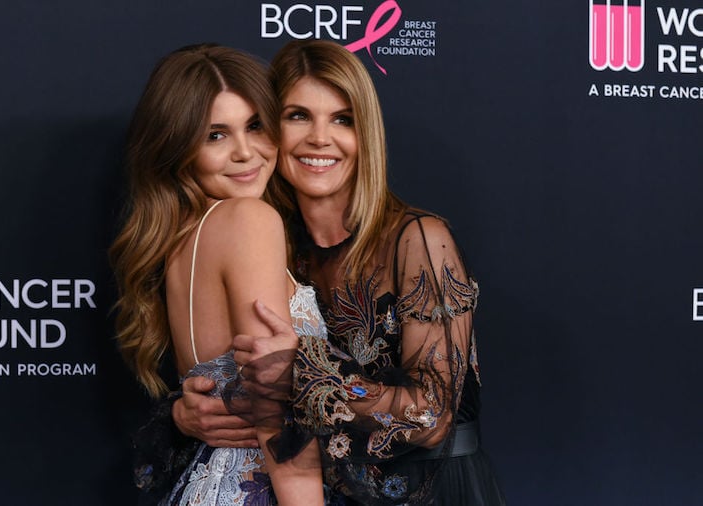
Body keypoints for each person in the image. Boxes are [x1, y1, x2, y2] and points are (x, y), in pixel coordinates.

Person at [176, 39, 505, 505]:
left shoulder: (419, 240)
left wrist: (301, 372)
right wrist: (187, 413)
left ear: (365, 133)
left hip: (427, 494)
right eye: (297, 116)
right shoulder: (273, 246)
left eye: (342, 119)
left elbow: (433, 419)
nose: (319, 139)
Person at [109, 43, 325, 506]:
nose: (246, 152)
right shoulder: (248, 219)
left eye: (255, 126)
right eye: (215, 136)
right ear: (177, 147)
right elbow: (274, 402)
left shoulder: (183, 240)